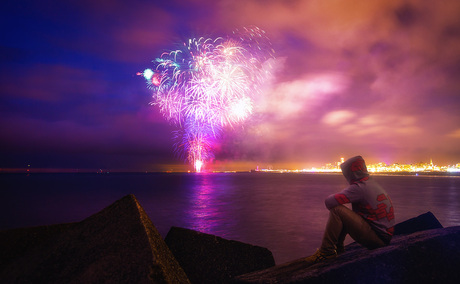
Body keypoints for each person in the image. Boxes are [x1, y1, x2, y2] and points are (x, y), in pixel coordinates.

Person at [304, 155, 395, 265]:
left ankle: (326, 251)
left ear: (351, 173)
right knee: (345, 213)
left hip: (377, 239)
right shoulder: (371, 183)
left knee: (338, 210)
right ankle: (338, 248)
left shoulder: (359, 187)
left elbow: (329, 202)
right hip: (384, 236)